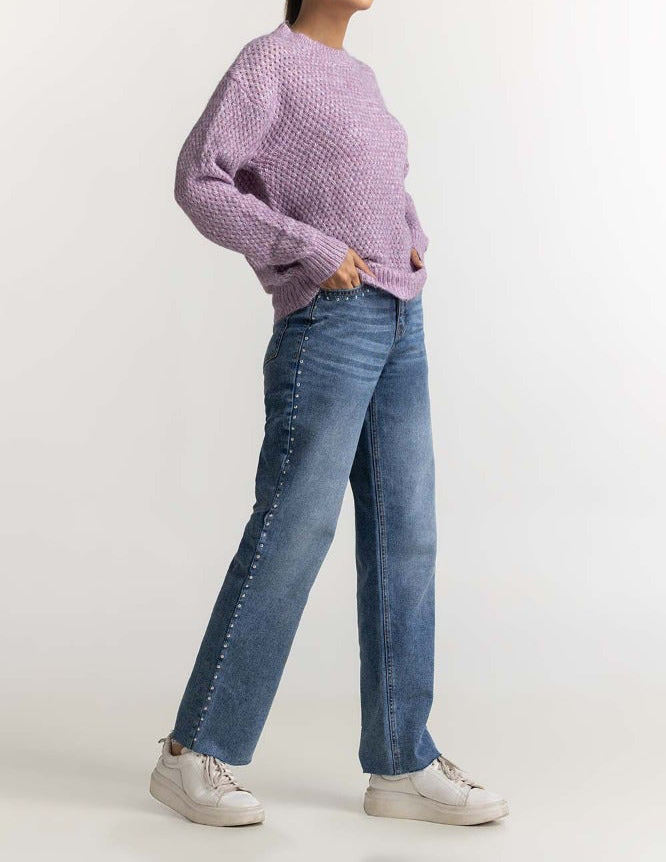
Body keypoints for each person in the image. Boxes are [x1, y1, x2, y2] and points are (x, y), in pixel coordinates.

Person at [149, 0, 508, 828]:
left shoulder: (361, 76)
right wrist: (307, 248)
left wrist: (411, 233)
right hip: (330, 322)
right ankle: (191, 753)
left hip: (401, 317)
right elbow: (199, 180)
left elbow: (379, 185)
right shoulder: (269, 61)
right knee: (294, 529)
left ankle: (401, 763)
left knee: (407, 536)